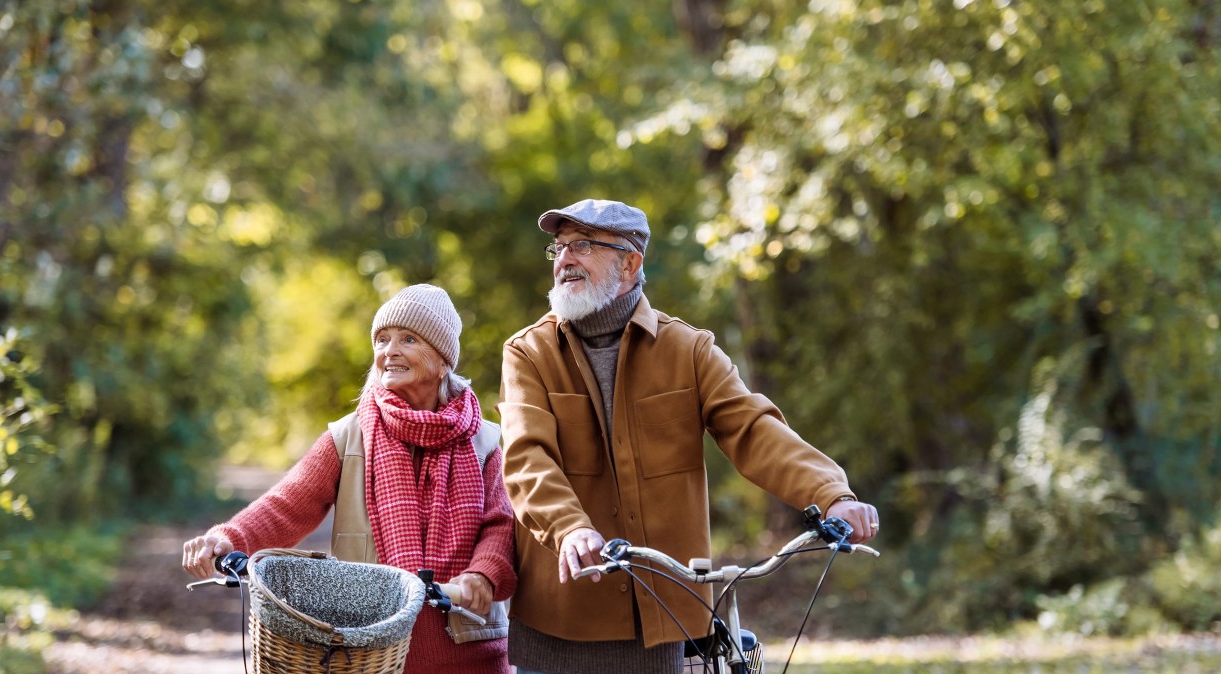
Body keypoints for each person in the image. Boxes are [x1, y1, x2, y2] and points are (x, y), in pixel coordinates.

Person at [498, 199, 880, 674]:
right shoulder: (529, 353)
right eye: (558, 248)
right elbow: (526, 454)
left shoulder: (689, 349)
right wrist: (570, 527)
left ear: (630, 263)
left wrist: (831, 495)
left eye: (582, 246)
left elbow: (754, 428)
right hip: (562, 613)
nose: (564, 260)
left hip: (663, 614)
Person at [182, 284, 517, 674]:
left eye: (408, 339)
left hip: (471, 652)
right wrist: (229, 538)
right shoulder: (349, 435)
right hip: (372, 652)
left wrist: (482, 576)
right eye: (382, 339)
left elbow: (503, 524)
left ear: (443, 361)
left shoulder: (486, 440)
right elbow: (289, 503)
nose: (389, 350)